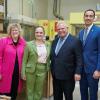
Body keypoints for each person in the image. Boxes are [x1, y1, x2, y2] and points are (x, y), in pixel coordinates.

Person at [50, 21, 83, 100]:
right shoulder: (55, 41)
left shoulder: (75, 41)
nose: (61, 30)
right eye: (59, 29)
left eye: (63, 28)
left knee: (68, 96)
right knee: (57, 97)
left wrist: (78, 72)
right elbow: (54, 56)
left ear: (67, 28)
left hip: (68, 76)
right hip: (56, 76)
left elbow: (79, 58)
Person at [21, 26, 51, 100]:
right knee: (30, 90)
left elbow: (49, 58)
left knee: (39, 91)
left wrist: (48, 68)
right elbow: (24, 60)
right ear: (34, 33)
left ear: (44, 33)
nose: (39, 34)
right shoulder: (28, 44)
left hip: (42, 69)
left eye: (41, 32)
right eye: (37, 32)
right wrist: (23, 73)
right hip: (30, 70)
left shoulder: (48, 44)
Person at [78, 9, 100, 100]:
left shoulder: (98, 31)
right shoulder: (81, 32)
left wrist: (98, 69)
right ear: (83, 17)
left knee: (93, 95)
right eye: (86, 16)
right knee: (83, 94)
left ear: (94, 18)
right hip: (82, 70)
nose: (88, 18)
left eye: (91, 16)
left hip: (93, 70)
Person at [0, 23, 26, 100]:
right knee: (4, 94)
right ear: (10, 31)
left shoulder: (23, 43)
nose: (14, 31)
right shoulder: (3, 41)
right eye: (12, 30)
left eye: (16, 30)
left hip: (17, 74)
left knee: (14, 93)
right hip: (5, 74)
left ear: (19, 31)